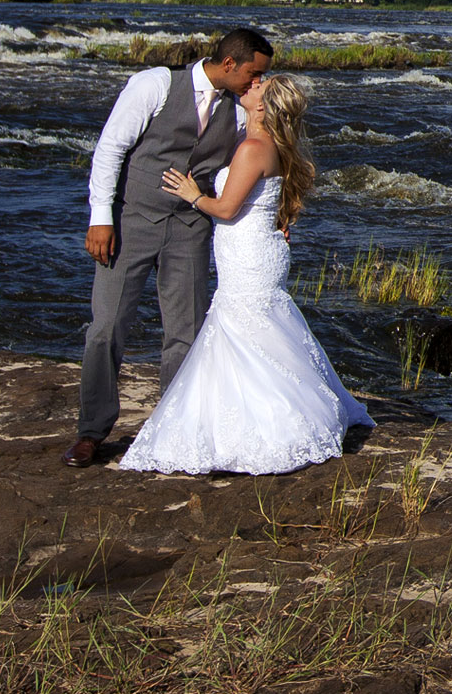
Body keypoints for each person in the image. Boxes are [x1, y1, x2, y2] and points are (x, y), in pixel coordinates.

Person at [117, 71, 372, 474]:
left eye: (259, 87)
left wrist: (193, 194)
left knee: (243, 328)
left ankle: (266, 422)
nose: (251, 86)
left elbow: (227, 209)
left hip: (248, 252)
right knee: (258, 328)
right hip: (257, 250)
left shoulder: (253, 146)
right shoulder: (267, 144)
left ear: (263, 107)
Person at [67, 27, 272, 467]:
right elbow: (110, 149)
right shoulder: (155, 85)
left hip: (189, 230)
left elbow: (254, 168)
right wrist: (100, 217)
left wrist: (278, 216)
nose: (257, 84)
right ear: (230, 63)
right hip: (131, 222)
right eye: (254, 75)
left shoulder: (239, 114)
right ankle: (91, 431)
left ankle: (172, 431)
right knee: (105, 329)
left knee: (185, 334)